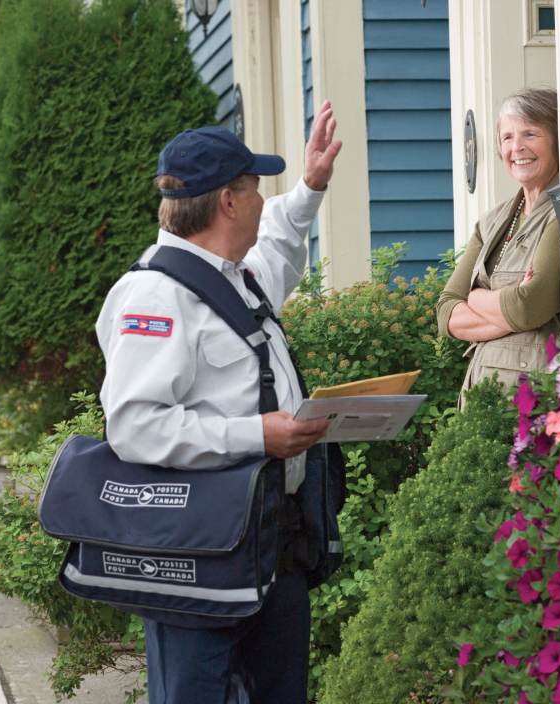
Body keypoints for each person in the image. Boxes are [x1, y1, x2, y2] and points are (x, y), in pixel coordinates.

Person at [94, 101, 342, 703]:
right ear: (229, 201)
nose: (263, 201)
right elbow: (135, 426)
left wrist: (310, 187)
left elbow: (278, 246)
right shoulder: (154, 297)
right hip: (200, 560)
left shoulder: (235, 277)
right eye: (256, 188)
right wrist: (258, 435)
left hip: (272, 548)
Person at [436, 88, 560, 401]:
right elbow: (447, 312)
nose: (517, 147)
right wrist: (507, 309)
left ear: (558, 139)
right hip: (481, 402)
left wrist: (475, 296)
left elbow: (528, 306)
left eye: (530, 134)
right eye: (507, 137)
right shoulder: (493, 221)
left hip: (534, 402)